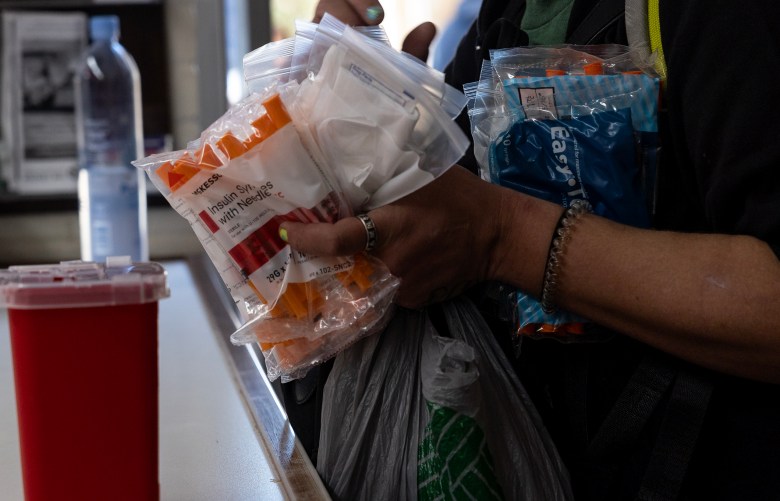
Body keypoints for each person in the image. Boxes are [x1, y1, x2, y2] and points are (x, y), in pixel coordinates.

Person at [289, 0, 780, 499]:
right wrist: (345, 117)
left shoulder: (722, 19)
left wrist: (504, 236)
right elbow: (449, 205)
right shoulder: (513, 11)